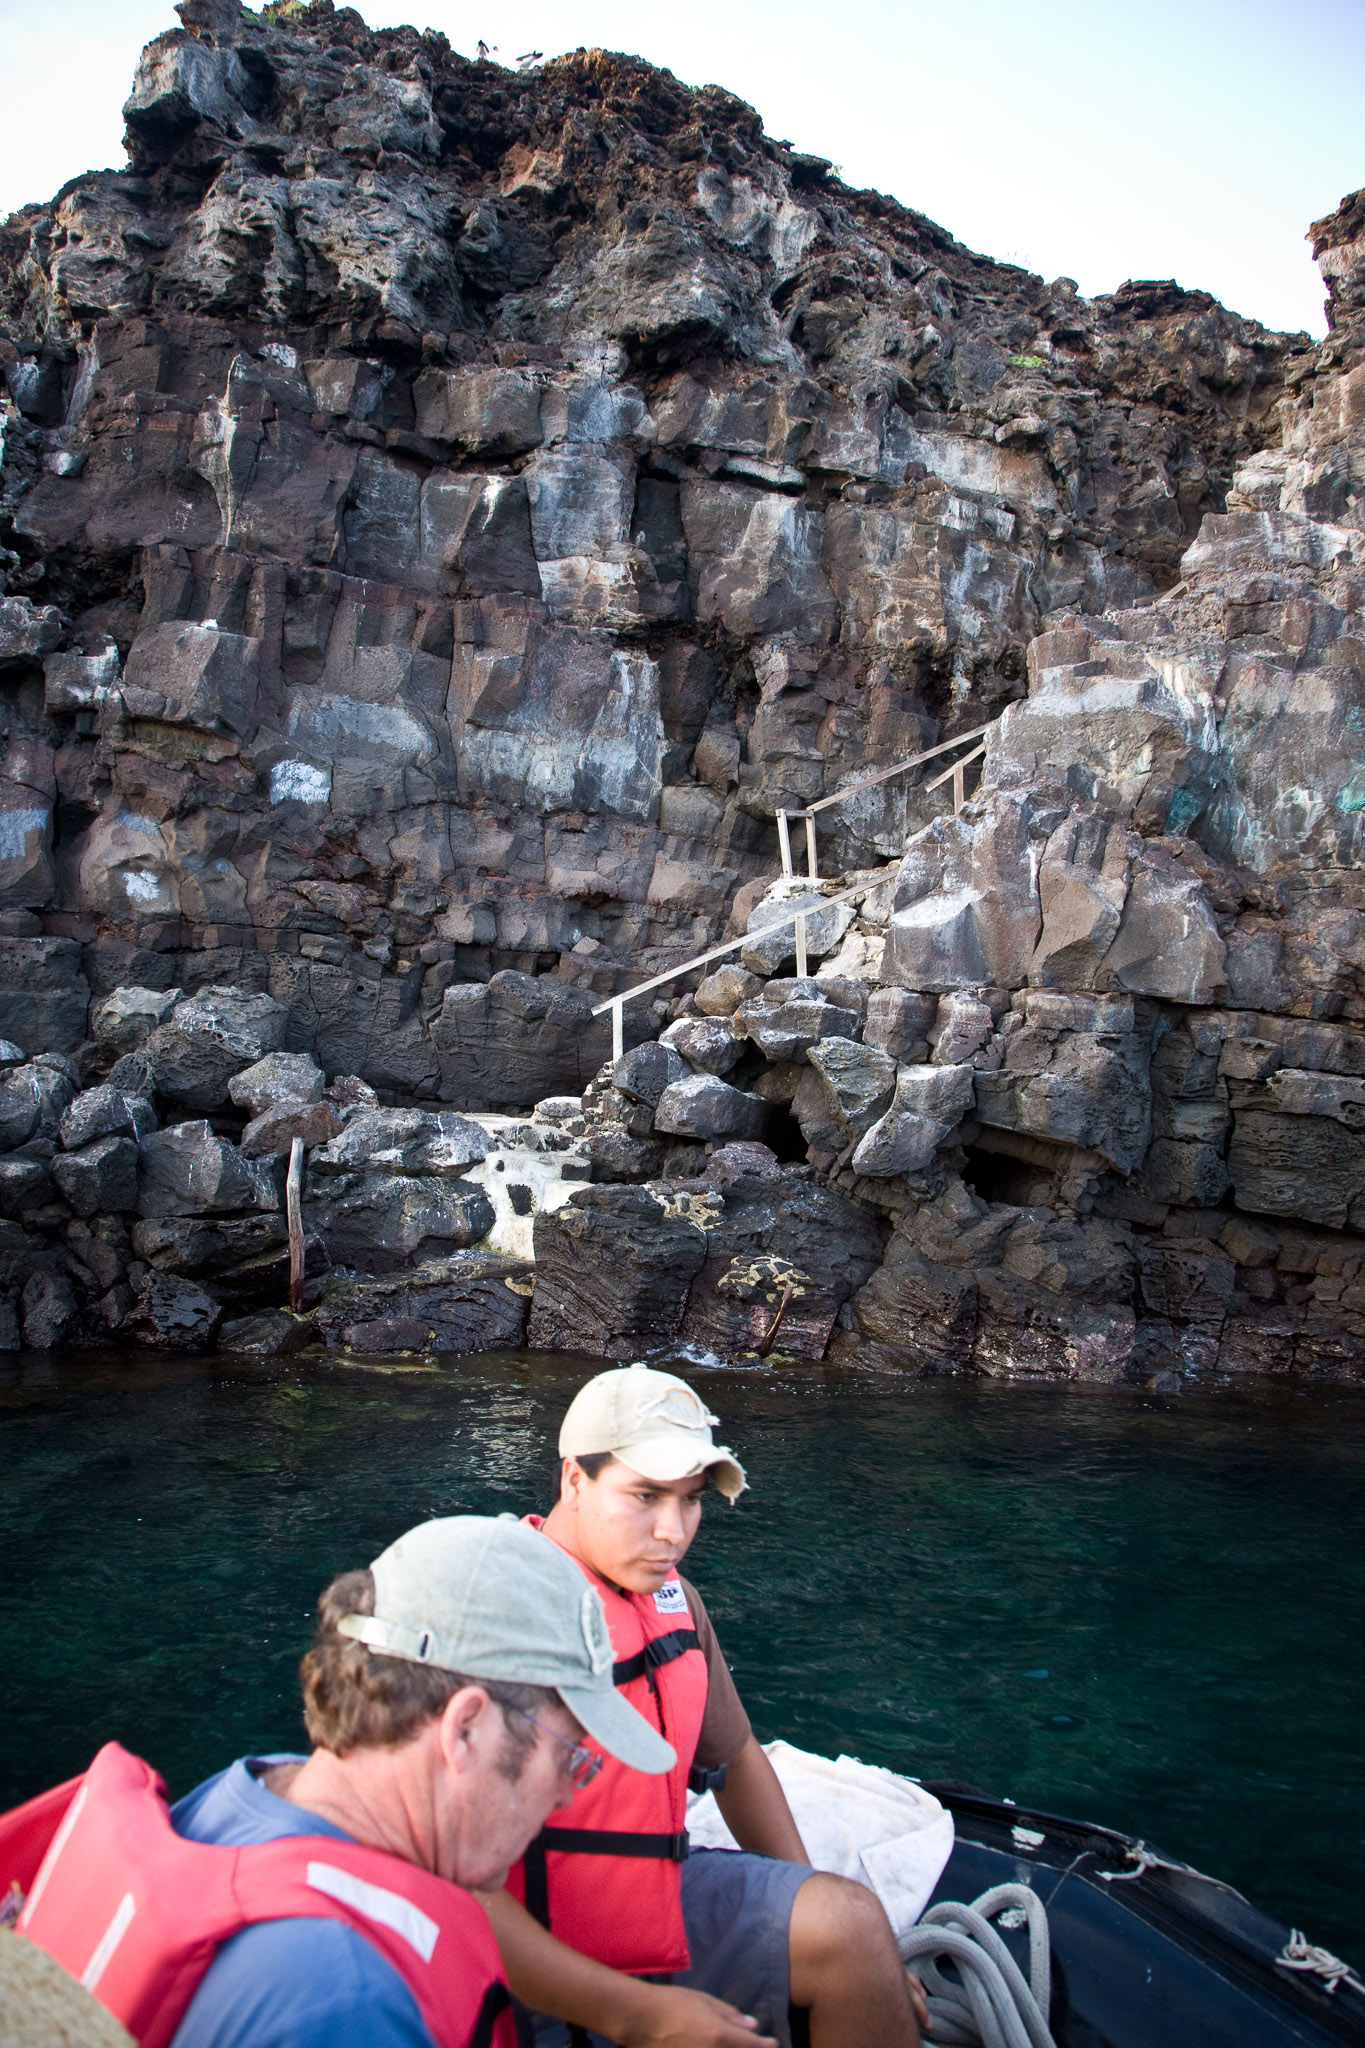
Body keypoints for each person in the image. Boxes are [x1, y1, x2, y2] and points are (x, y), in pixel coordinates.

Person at [3, 1514, 693, 2048]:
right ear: (463, 1729)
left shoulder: (252, 1791)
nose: (568, 1792)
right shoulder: (342, 1996)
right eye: (569, 1754)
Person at [483, 1368, 926, 2048]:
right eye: (644, 1495)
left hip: (651, 1907)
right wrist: (635, 2016)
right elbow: (440, 1880)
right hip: (523, 1952)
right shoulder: (495, 1612)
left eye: (691, 1500)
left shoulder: (672, 1600)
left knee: (854, 1932)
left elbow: (736, 1757)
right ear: (574, 1480)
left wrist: (816, 1904)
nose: (673, 1531)